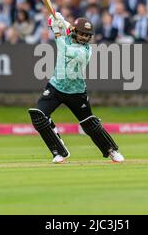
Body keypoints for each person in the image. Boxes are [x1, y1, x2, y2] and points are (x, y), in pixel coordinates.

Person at [28, 12, 124, 164]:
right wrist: (55, 19)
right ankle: (59, 151)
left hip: (76, 92)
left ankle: (111, 150)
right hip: (55, 86)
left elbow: (63, 49)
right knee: (38, 115)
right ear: (75, 31)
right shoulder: (69, 31)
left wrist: (57, 31)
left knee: (89, 123)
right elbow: (61, 22)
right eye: (82, 34)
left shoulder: (85, 51)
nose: (84, 38)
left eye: (87, 35)